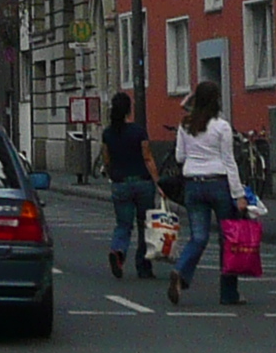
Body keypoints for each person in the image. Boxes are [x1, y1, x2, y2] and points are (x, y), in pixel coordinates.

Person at [166, 80, 245, 306]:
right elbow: (229, 162)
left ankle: (181, 271)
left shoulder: (185, 125)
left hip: (193, 186)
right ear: (217, 100)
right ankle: (228, 294)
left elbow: (180, 157)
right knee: (227, 239)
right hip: (218, 184)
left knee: (198, 237)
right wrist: (238, 194)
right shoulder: (222, 127)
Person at [102, 92, 156, 281]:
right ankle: (143, 266)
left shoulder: (108, 133)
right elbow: (147, 157)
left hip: (120, 184)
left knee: (123, 224)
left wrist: (113, 176)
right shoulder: (138, 131)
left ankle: (118, 251)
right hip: (142, 182)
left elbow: (106, 160)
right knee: (144, 225)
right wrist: (158, 181)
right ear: (128, 110)